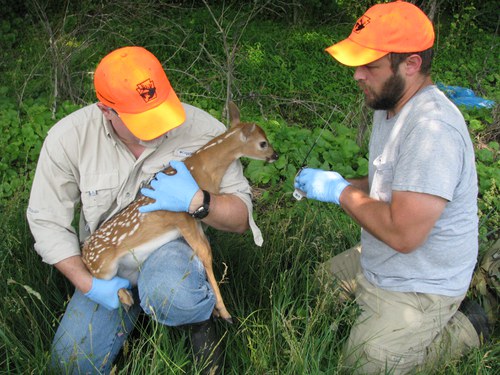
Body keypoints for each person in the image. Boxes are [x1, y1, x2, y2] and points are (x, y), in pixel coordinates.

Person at [27, 46, 263, 374]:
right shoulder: (69, 138)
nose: (160, 127)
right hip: (111, 259)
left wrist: (199, 201)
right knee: (69, 365)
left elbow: (240, 219)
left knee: (171, 292)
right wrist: (89, 284)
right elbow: (46, 221)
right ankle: (130, 319)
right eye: (143, 119)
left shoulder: (203, 130)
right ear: (106, 110)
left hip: (172, 246)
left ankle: (198, 319)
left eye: (162, 109)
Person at [294, 1, 489, 374]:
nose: (357, 76)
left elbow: (403, 236)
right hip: (380, 257)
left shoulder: (433, 130)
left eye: (370, 66)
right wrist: (343, 184)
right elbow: (393, 182)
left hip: (422, 278)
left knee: (364, 366)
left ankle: (465, 328)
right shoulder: (390, 104)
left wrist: (340, 192)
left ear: (411, 64)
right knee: (311, 290)